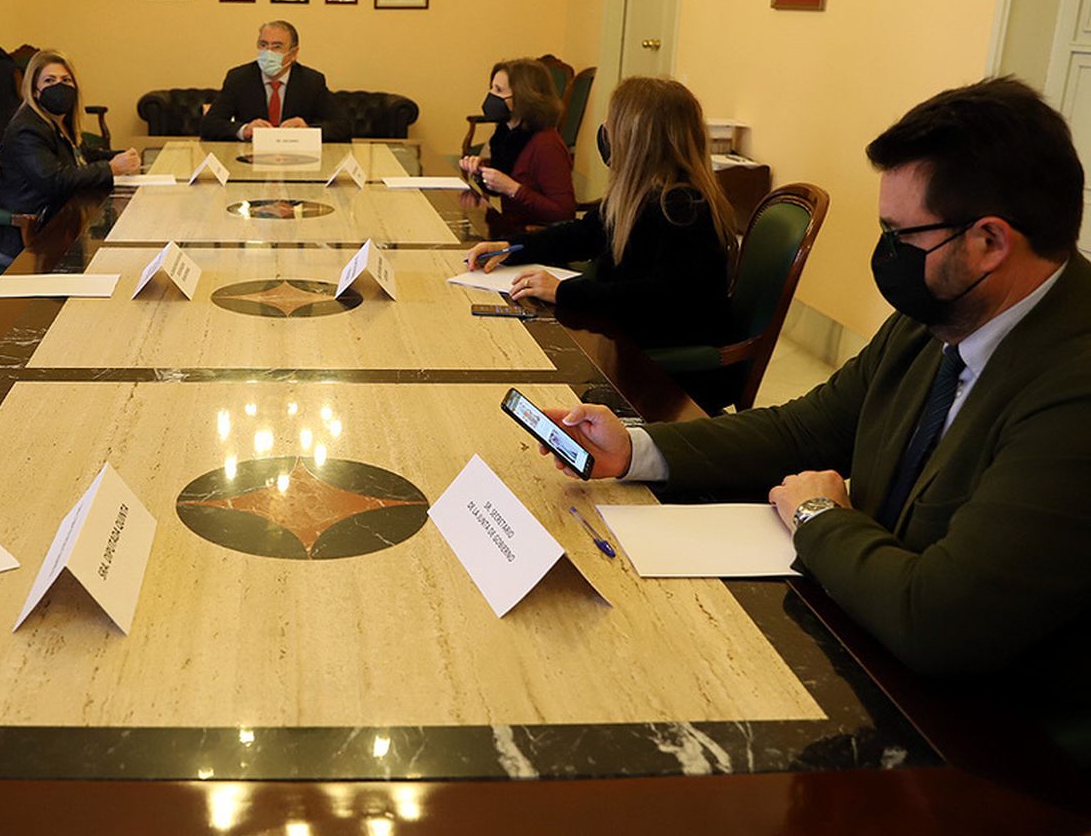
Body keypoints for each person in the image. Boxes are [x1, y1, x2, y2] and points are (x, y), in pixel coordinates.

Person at [542, 78, 1091, 766]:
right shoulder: (942, 318)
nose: (885, 254)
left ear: (988, 242)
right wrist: (638, 448)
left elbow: (941, 620)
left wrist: (819, 519)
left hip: (1000, 749)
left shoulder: (1073, 385)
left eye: (901, 234)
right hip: (873, 644)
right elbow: (807, 429)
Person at [466, 76, 739, 384]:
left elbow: (657, 299)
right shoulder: (639, 193)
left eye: (612, 121)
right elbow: (583, 235)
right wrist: (510, 248)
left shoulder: (684, 209)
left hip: (672, 364)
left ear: (635, 138)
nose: (605, 128)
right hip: (632, 336)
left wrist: (563, 291)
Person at [0, 50, 140, 264]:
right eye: (50, 80)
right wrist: (110, 168)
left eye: (66, 80)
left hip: (56, 222)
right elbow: (54, 180)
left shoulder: (58, 121)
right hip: (22, 238)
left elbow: (81, 155)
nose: (59, 86)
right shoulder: (27, 129)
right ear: (35, 90)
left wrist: (119, 157)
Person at [458, 58, 577, 227]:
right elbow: (498, 187)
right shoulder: (506, 133)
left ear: (523, 98)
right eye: (491, 88)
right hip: (511, 227)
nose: (491, 95)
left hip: (535, 238)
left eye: (498, 90)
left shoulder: (547, 144)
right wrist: (481, 173)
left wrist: (512, 189)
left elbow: (564, 213)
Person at [199, 20, 349, 143]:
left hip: (298, 161)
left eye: (277, 47)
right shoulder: (239, 78)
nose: (268, 52)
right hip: (249, 159)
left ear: (294, 53)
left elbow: (343, 126)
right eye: (263, 45)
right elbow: (209, 125)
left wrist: (308, 131)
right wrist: (244, 130)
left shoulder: (311, 81)